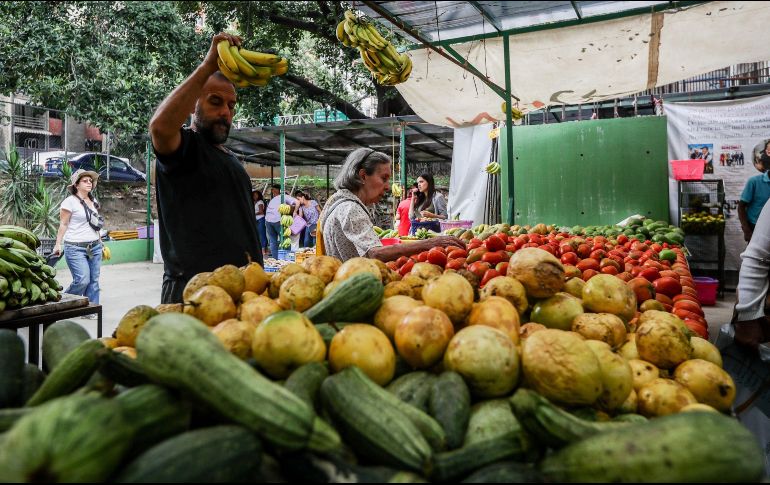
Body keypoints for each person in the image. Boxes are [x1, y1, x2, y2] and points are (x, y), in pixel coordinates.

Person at [149, 32, 263, 304]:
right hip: (193, 295)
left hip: (240, 293)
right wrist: (208, 66)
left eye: (231, 105)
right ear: (193, 105)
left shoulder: (230, 159)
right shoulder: (185, 149)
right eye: (215, 101)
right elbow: (160, 128)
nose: (226, 111)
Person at [318, 148, 464, 262]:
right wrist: (429, 244)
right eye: (384, 178)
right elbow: (376, 254)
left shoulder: (337, 203)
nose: (388, 187)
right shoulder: (351, 208)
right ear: (363, 176)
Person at [51, 169, 104, 311]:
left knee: (93, 281)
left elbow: (95, 224)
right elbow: (63, 224)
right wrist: (58, 244)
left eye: (90, 181)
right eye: (85, 181)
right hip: (75, 247)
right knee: (82, 280)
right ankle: (63, 302)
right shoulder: (69, 202)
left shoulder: (93, 201)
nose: (89, 183)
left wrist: (100, 242)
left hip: (95, 246)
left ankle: (90, 309)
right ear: (76, 185)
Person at [739, 160, 770, 242]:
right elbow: (741, 207)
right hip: (756, 227)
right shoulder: (754, 181)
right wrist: (747, 230)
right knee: (757, 255)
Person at [265, 183, 297, 259]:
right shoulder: (280, 197)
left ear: (277, 190)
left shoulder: (279, 197)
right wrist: (293, 211)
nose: (272, 191)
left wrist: (291, 210)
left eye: (273, 189)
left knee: (273, 241)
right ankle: (287, 258)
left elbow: (296, 202)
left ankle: (277, 259)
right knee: (285, 239)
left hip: (269, 220)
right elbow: (297, 202)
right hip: (276, 220)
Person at [253, 188, 267, 256]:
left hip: (260, 219)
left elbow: (261, 212)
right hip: (256, 220)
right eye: (253, 195)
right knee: (257, 235)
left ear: (259, 196)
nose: (255, 196)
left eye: (256, 195)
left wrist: (253, 214)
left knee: (262, 235)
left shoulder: (260, 202)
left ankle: (263, 250)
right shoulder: (253, 202)